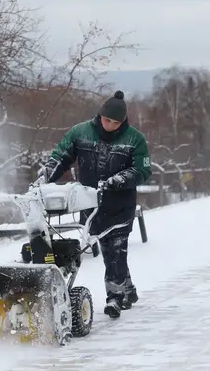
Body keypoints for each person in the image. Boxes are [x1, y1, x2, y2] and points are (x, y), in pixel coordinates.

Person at [37, 90, 152, 318]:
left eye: (115, 122)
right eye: (106, 119)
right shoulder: (80, 132)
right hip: (90, 204)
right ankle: (128, 290)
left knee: (117, 250)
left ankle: (115, 298)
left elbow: (142, 169)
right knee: (109, 251)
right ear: (100, 116)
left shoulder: (134, 139)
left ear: (122, 122)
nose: (110, 125)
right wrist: (45, 177)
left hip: (120, 204)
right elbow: (61, 157)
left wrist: (119, 180)